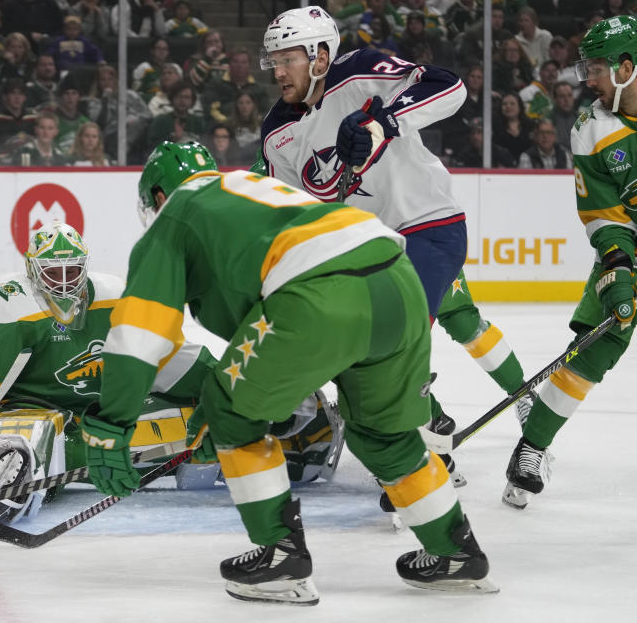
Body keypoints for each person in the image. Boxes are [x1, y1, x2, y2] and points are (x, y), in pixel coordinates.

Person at [82, 141, 496, 604]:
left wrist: (110, 423)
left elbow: (140, 334)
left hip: (318, 292)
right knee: (385, 435)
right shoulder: (248, 192)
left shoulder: (178, 212)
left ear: (159, 196)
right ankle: (457, 553)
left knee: (231, 412)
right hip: (398, 280)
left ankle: (280, 557)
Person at [257, 6, 534, 489]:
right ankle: (435, 425)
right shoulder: (277, 132)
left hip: (426, 226)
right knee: (354, 354)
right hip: (365, 251)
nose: (277, 71)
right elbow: (290, 214)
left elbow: (449, 87)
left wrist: (382, 124)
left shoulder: (361, 72)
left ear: (321, 56)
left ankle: (431, 462)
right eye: (273, 60)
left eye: (288, 59)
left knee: (412, 335)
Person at [0, 221, 217, 523]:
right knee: (33, 439)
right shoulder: (8, 303)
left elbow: (167, 355)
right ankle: (20, 484)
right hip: (30, 413)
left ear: (84, 266)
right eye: (53, 272)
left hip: (95, 415)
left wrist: (227, 391)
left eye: (71, 271)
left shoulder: (114, 295)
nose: (63, 282)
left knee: (203, 417)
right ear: (33, 269)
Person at [503, 15, 637, 509]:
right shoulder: (591, 127)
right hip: (633, 244)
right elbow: (602, 211)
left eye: (597, 68)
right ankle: (530, 449)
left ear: (628, 66)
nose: (589, 79)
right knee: (598, 345)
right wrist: (618, 265)